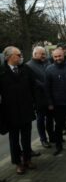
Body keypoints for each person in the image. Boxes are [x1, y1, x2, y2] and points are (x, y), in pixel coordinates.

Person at [0, 46, 37, 174]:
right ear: (9, 57)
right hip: (10, 113)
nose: (21, 57)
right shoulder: (2, 71)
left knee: (26, 138)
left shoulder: (25, 69)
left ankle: (27, 159)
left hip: (26, 110)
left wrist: (35, 102)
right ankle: (18, 162)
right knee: (14, 139)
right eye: (18, 55)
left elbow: (34, 86)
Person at [26, 46, 55, 148]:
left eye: (44, 54)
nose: (44, 56)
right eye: (42, 54)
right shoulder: (28, 66)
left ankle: (52, 136)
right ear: (35, 54)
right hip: (38, 98)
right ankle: (43, 139)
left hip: (50, 96)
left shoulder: (47, 62)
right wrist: (46, 85)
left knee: (50, 119)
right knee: (41, 120)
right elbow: (33, 81)